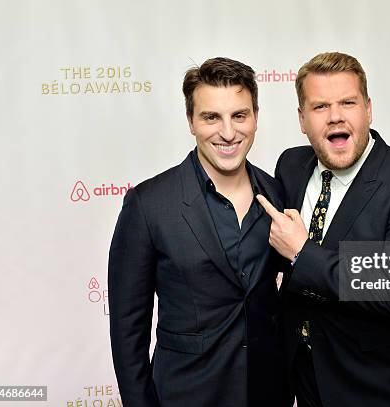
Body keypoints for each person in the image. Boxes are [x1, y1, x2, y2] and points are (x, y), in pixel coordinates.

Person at [256, 52, 390, 407]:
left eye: (348, 102)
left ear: (368, 109)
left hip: (372, 388)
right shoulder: (291, 165)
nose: (336, 116)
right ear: (302, 119)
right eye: (320, 106)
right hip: (303, 378)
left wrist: (302, 253)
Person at [108, 57, 288, 407]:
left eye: (239, 115)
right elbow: (128, 332)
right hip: (185, 395)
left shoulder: (278, 193)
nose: (228, 132)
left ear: (255, 117)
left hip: (269, 393)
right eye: (211, 117)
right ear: (190, 121)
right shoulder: (149, 205)